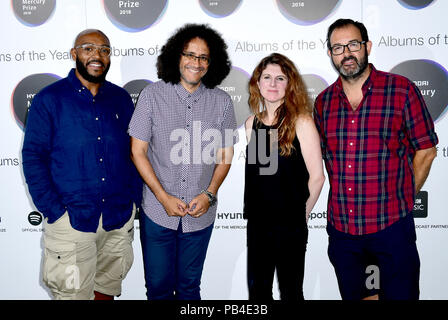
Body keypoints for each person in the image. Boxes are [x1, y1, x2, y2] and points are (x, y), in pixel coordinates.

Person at [314, 18, 438, 300]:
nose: (346, 53)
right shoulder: (323, 103)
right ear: (330, 53)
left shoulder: (401, 90)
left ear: (367, 46)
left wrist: (404, 198)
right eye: (337, 47)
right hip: (344, 234)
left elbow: (426, 150)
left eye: (353, 44)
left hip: (391, 229)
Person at [22, 29, 142, 300]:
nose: (97, 55)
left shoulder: (121, 99)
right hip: (71, 221)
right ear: (74, 54)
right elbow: (33, 157)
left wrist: (133, 199)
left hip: (117, 217)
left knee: (106, 292)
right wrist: (54, 210)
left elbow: (135, 152)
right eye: (88, 48)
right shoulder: (49, 99)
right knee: (72, 295)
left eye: (104, 50)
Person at [128, 23, 238, 300]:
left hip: (200, 214)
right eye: (190, 54)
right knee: (158, 288)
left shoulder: (222, 102)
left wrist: (210, 194)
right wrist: (162, 196)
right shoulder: (152, 96)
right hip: (157, 211)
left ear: (212, 64)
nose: (196, 63)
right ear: (176, 57)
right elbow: (137, 152)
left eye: (203, 57)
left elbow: (225, 156)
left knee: (190, 289)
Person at [243, 53, 325, 300]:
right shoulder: (251, 124)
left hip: (290, 225)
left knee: (291, 292)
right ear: (257, 83)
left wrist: (301, 214)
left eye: (280, 78)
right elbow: (262, 173)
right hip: (258, 224)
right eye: (266, 77)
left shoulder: (301, 121)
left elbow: (317, 177)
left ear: (290, 85)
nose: (272, 84)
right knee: (258, 294)